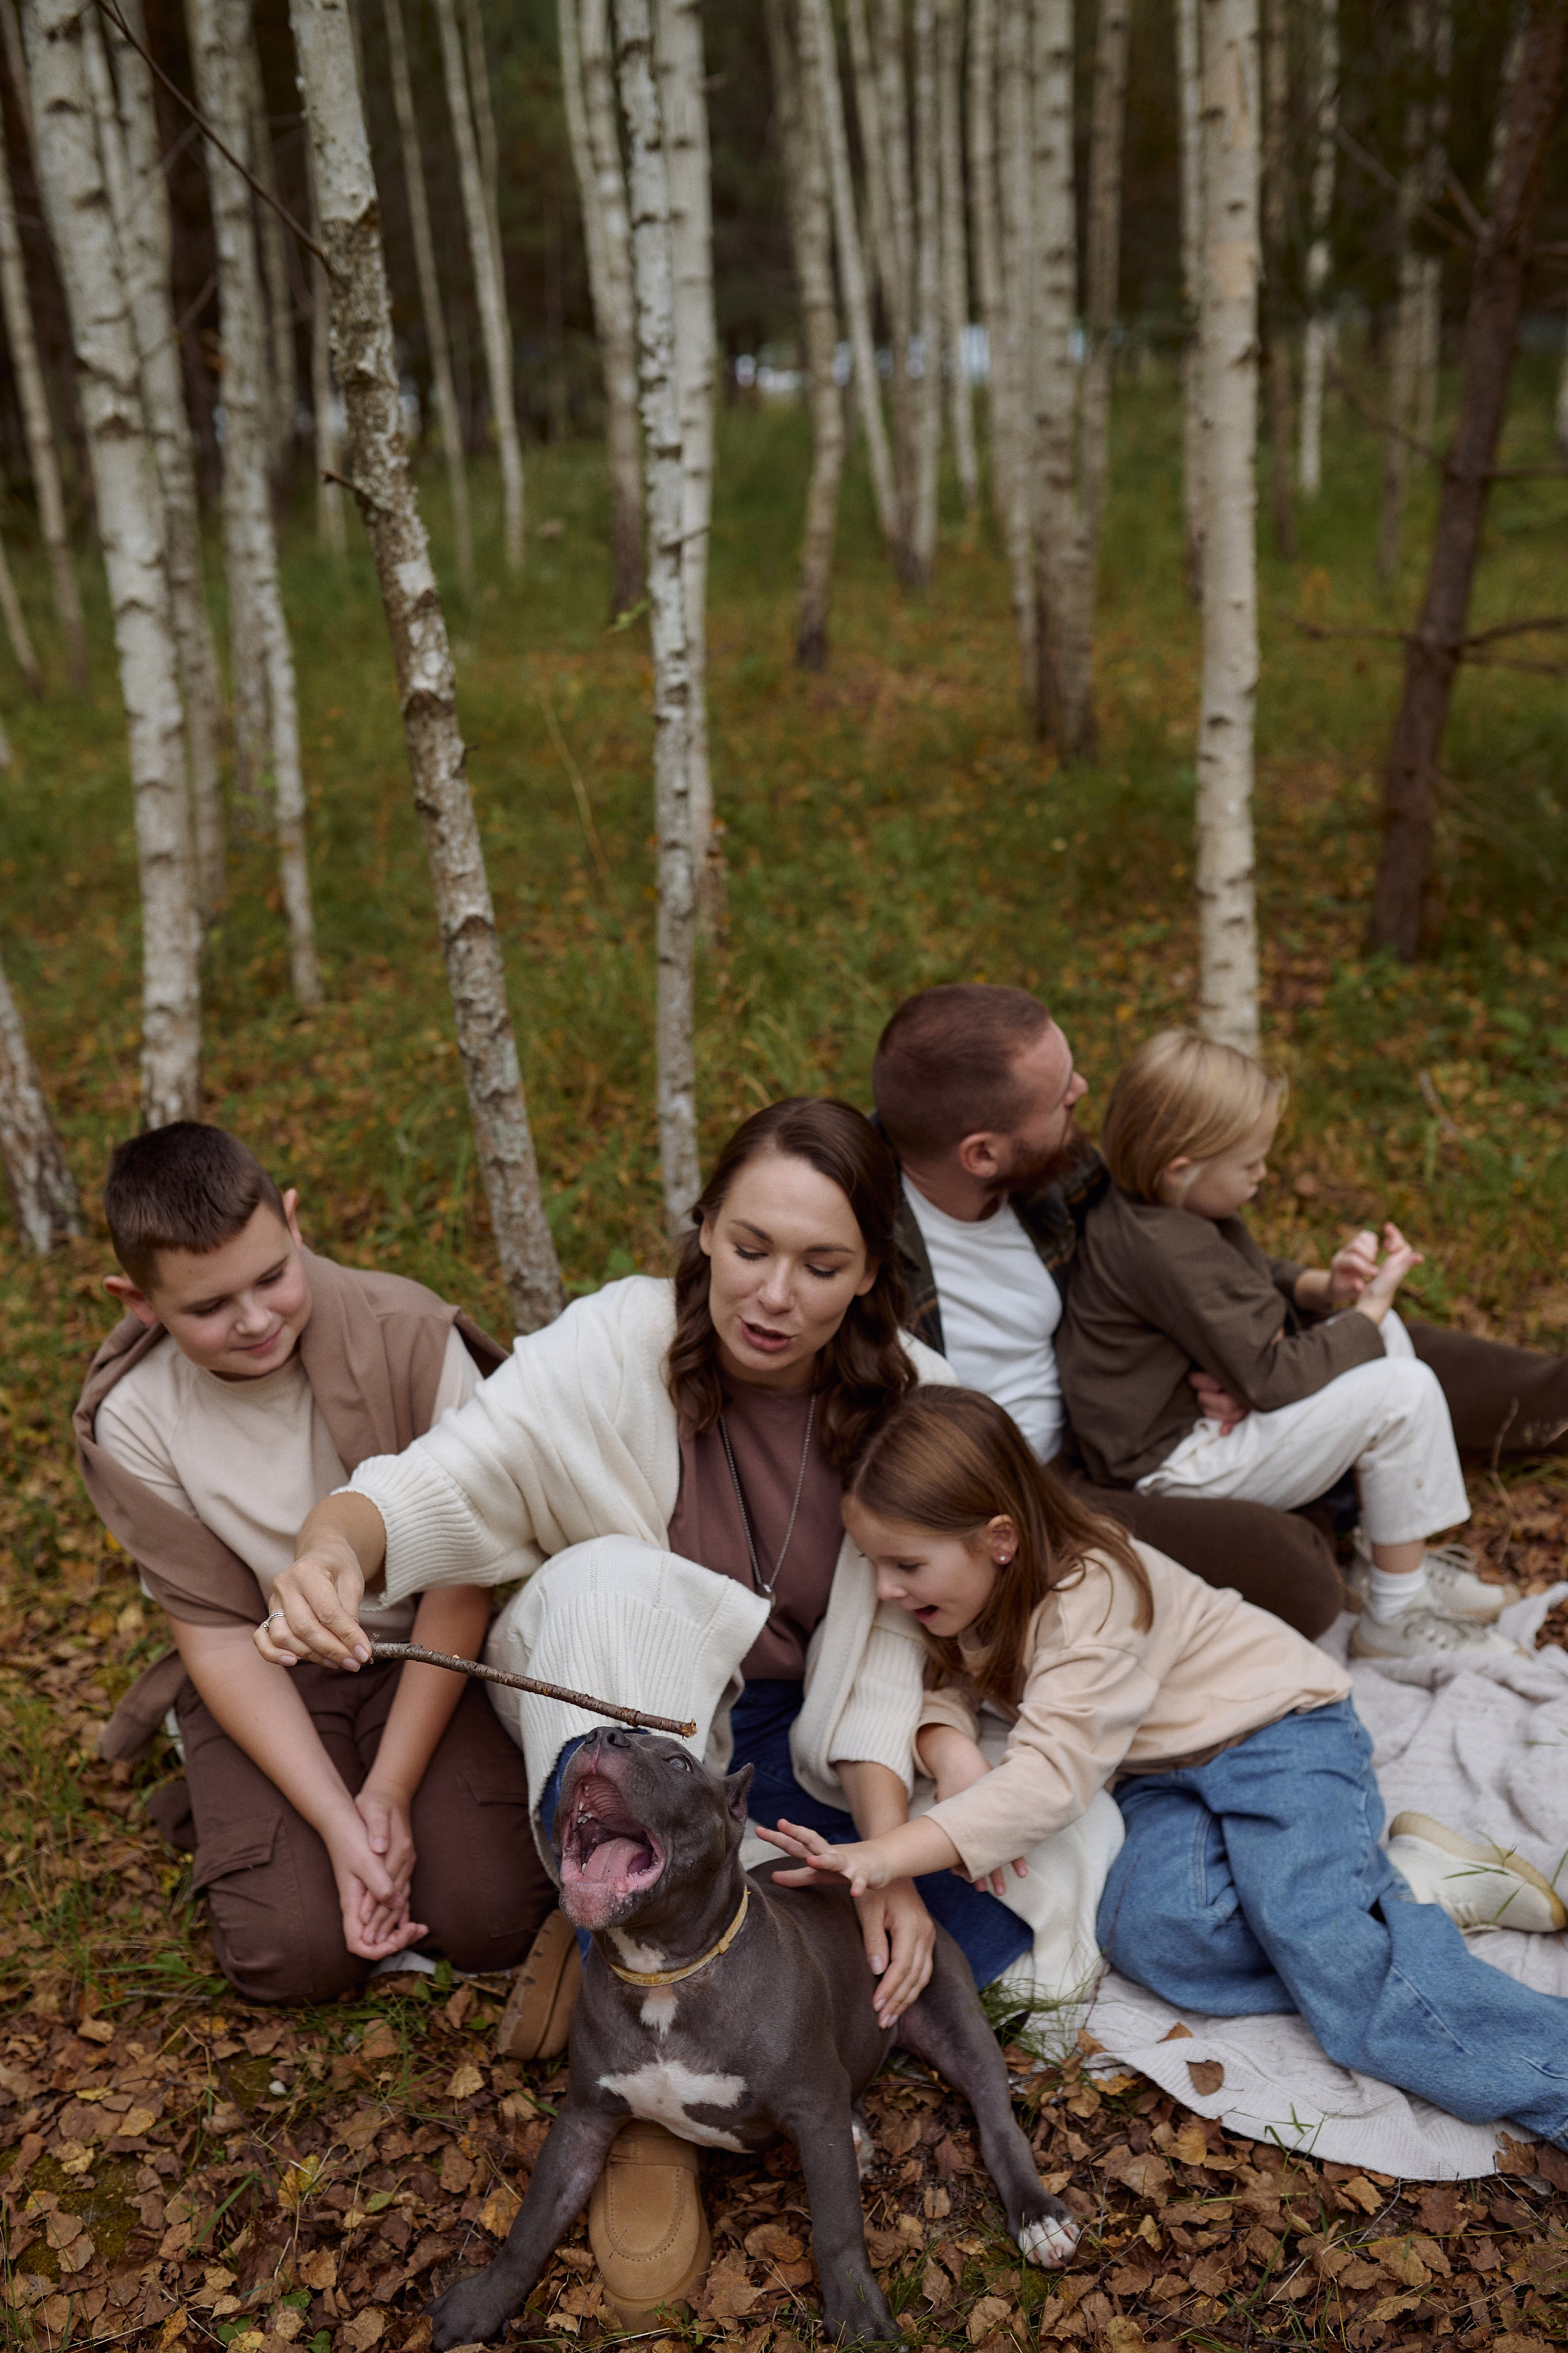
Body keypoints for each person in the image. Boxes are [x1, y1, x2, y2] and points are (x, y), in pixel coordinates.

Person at [261, 1100, 1110, 2322]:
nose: (774, 1294)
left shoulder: (911, 1399)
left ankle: (672, 2016)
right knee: (612, 1579)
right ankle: (642, 2053)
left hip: (800, 1749)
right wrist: (333, 1549)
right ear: (703, 1228)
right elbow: (447, 1478)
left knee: (976, 1914)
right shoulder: (614, 1345)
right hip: (628, 1721)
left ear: (870, 1271)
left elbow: (888, 1652)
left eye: (821, 1266)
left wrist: (878, 1860)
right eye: (750, 1246)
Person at [761, 1387, 1568, 2150]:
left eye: (903, 1564)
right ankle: (1415, 1890)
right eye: (870, 1561)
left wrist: (885, 1852)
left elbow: (1049, 1780)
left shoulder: (1093, 1585)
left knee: (1316, 1938)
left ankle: (1548, 2074)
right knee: (1150, 1929)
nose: (884, 1587)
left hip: (1278, 1731)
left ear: (999, 1538)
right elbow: (942, 1687)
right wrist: (951, 1746)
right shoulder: (963, 1593)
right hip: (1158, 1775)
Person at [873, 984, 1568, 1638]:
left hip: (1133, 1395)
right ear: (981, 1153)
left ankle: (1545, 1408)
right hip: (1056, 1487)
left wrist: (1305, 1293)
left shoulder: (1056, 1171)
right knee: (1300, 1575)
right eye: (1061, 1098)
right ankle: (1355, 1533)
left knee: (1370, 1335)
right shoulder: (865, 1256)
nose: (1082, 1095)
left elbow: (1188, 1267)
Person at [77, 1123, 552, 2003]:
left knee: (496, 1915)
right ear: (138, 1301)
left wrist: (392, 1794)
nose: (255, 1319)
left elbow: (460, 1584)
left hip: (423, 1650)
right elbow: (215, 1637)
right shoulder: (135, 1416)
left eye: (271, 1276)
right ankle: (244, 1799)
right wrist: (342, 1825)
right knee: (291, 1956)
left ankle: (361, 1795)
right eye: (209, 1307)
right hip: (269, 1662)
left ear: (293, 1223)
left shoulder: (409, 1332)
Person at [1058, 1030, 1515, 1662]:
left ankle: (1383, 1563)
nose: (1263, 1174)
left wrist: (1323, 1285)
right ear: (1182, 1168)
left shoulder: (1162, 1209)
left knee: (1380, 1335)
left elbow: (1244, 1275)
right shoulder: (1162, 1249)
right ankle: (1395, 1612)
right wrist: (1366, 1309)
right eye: (1250, 1165)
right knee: (1403, 1390)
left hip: (1199, 1428)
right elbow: (1269, 1377)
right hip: (1176, 1466)